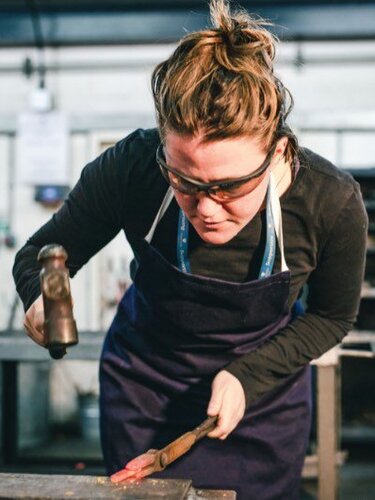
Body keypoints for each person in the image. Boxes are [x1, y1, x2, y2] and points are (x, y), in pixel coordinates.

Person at [13, 1, 367, 498]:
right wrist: (39, 296)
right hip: (146, 392)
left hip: (259, 400)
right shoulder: (131, 169)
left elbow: (332, 316)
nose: (206, 208)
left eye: (230, 187)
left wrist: (249, 375)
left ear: (278, 153)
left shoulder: (329, 200)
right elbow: (38, 255)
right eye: (183, 181)